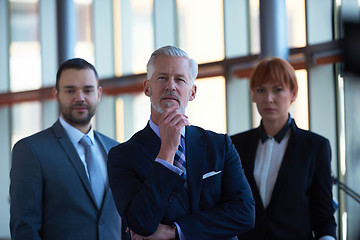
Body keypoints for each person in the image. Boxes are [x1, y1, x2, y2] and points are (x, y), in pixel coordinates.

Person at [107, 45, 255, 240]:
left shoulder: (220, 145)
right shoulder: (122, 156)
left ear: (192, 92)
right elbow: (141, 223)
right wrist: (167, 152)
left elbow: (244, 214)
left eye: (180, 79)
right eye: (162, 78)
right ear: (147, 88)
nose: (171, 86)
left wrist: (175, 231)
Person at [10, 58, 128, 240]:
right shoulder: (30, 150)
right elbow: (25, 228)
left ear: (98, 94)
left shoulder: (117, 150)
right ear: (56, 94)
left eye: (88, 90)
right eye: (70, 90)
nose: (80, 97)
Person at [231, 57, 337, 240]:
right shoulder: (235, 145)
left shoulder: (315, 147)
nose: (268, 99)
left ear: (293, 94)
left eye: (278, 90)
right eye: (261, 90)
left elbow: (324, 216)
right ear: (253, 95)